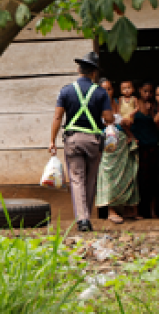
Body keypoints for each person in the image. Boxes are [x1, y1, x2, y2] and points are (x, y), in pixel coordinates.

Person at [49, 52, 114, 232]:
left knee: (77, 179)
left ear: (79, 70)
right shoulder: (100, 92)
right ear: (94, 73)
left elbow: (57, 117)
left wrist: (52, 141)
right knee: (90, 180)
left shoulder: (66, 91)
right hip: (93, 141)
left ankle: (83, 219)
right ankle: (87, 216)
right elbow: (108, 118)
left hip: (73, 140)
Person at [96, 78, 140, 224]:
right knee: (109, 175)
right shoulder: (97, 105)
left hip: (122, 141)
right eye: (104, 89)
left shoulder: (118, 102)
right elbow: (100, 124)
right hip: (109, 143)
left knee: (127, 173)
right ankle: (111, 210)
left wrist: (130, 135)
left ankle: (128, 208)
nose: (107, 92)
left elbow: (125, 121)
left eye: (109, 89)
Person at [124, 82, 159, 219]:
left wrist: (151, 112)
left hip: (152, 146)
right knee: (139, 178)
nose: (148, 94)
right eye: (145, 91)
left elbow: (157, 123)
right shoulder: (134, 102)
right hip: (138, 146)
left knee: (153, 179)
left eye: (150, 92)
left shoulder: (155, 105)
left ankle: (153, 211)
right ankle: (137, 211)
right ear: (139, 90)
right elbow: (126, 120)